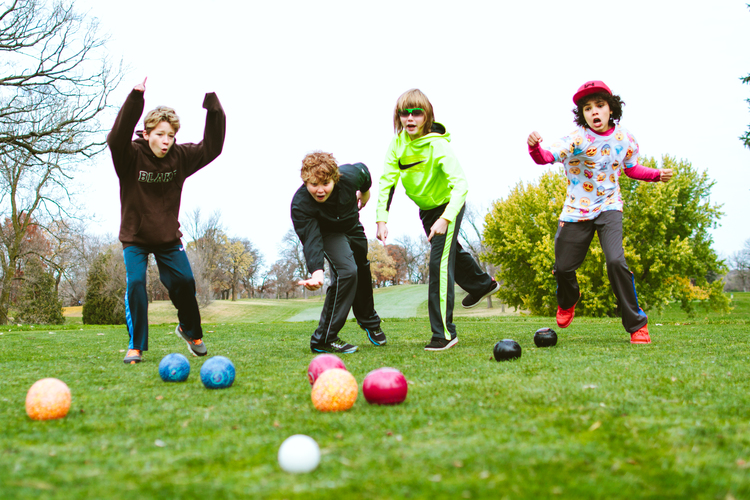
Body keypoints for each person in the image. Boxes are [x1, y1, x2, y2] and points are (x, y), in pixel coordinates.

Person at [527, 80, 672, 344]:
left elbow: (630, 168)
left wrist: (655, 175)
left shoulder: (625, 138)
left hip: (609, 206)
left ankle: (637, 325)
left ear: (611, 109)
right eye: (588, 108)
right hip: (576, 210)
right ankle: (568, 300)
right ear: (582, 114)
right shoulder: (577, 138)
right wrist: (535, 147)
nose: (594, 112)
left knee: (616, 262)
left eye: (600, 106)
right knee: (563, 268)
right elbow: (546, 157)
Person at [107, 78, 226, 364]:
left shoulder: (180, 157)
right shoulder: (129, 157)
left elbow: (212, 147)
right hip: (135, 237)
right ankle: (136, 345)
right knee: (136, 283)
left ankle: (190, 330)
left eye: (171, 136)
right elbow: (115, 138)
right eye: (160, 135)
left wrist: (213, 107)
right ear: (147, 133)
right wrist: (136, 99)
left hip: (167, 237)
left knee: (184, 281)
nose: (166, 141)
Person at [375, 89, 499, 352]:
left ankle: (444, 334)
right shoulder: (397, 144)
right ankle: (483, 284)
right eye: (404, 113)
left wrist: (445, 218)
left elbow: (461, 185)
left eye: (416, 113)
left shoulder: (438, 144)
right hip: (427, 209)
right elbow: (387, 182)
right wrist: (381, 219)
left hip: (448, 205)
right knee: (449, 252)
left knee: (438, 264)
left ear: (426, 116)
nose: (410, 118)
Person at [291, 151, 385, 354]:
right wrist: (317, 271)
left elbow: (365, 175)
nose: (319, 190)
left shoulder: (351, 175)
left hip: (351, 225)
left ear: (335, 178)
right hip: (328, 232)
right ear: (305, 181)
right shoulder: (301, 205)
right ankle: (324, 338)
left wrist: (365, 195)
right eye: (313, 184)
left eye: (325, 184)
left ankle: (369, 320)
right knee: (347, 272)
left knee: (361, 269)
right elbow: (311, 240)